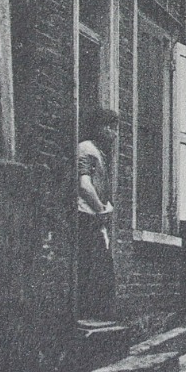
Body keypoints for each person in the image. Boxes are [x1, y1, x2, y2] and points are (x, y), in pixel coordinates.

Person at [75, 108, 120, 321]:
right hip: (86, 216)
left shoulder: (99, 153)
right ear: (98, 128)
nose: (114, 133)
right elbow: (84, 185)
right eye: (109, 127)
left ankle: (97, 316)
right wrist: (101, 209)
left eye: (115, 128)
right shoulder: (86, 149)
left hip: (95, 219)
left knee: (100, 269)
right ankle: (87, 316)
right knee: (88, 267)